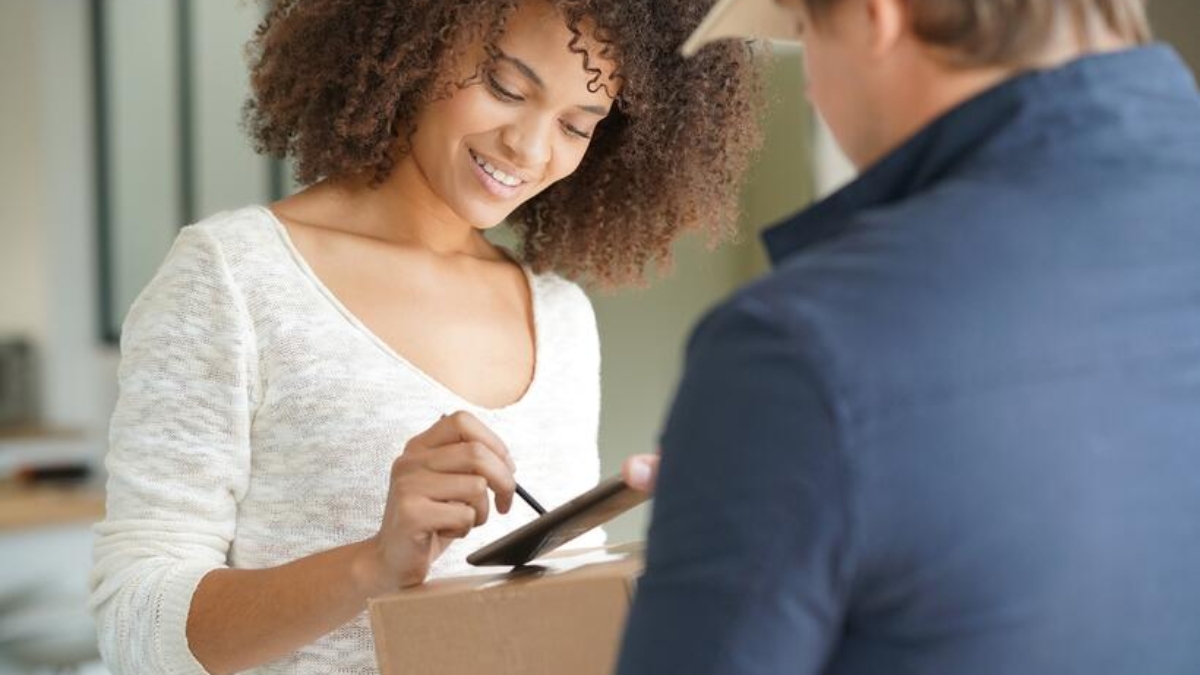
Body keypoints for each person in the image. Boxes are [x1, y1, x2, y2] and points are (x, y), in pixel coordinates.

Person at [87, 1, 760, 673]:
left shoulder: (560, 317)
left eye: (576, 126)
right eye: (505, 88)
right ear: (418, 39)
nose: (528, 148)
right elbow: (134, 631)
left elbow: (565, 621)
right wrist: (370, 565)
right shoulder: (236, 276)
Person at [618, 0, 1200, 673]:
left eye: (806, 30)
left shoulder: (800, 351)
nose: (808, 82)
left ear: (878, 16)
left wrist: (762, 461)